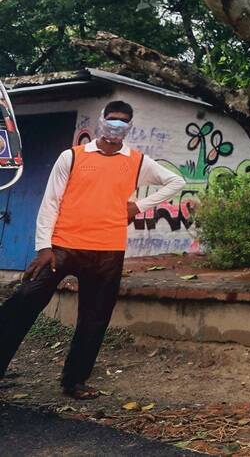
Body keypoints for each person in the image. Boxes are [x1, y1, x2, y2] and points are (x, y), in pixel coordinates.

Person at [0, 101, 185, 399]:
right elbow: (51, 202)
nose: (115, 128)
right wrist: (44, 247)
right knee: (24, 301)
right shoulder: (72, 157)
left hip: (108, 251)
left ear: (129, 127)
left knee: (95, 317)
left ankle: (74, 381)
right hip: (63, 247)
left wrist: (138, 205)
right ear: (101, 121)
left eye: (122, 123)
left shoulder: (136, 161)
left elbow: (176, 180)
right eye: (111, 121)